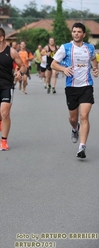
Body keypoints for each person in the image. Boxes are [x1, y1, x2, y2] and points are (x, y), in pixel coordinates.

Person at [51, 22, 99, 159]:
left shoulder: (90, 48)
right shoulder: (65, 47)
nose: (76, 34)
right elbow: (53, 64)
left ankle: (82, 147)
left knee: (84, 116)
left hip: (86, 86)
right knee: (73, 117)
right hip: (71, 87)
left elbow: (94, 59)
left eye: (79, 32)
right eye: (74, 31)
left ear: (83, 34)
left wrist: (95, 69)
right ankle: (74, 128)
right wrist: (63, 69)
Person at [0, 27, 26, 151]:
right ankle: (0, 120)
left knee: (5, 113)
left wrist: (19, 72)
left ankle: (3, 141)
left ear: (1, 38)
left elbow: (23, 66)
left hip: (7, 85)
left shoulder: (11, 52)